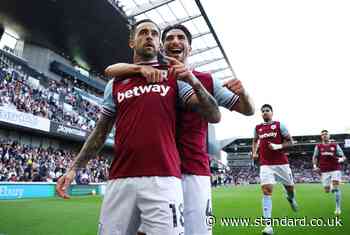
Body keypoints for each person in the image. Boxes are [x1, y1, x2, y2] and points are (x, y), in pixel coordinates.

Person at [56, 19, 220, 235]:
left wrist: (194, 81)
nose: (149, 36)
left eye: (154, 33)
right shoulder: (115, 83)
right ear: (132, 42)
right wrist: (74, 168)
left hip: (164, 179)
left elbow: (213, 114)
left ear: (159, 45)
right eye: (143, 32)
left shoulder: (172, 77)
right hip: (120, 179)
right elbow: (100, 131)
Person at [105, 23, 255, 235]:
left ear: (189, 48)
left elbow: (246, 110)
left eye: (181, 38)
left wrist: (245, 94)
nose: (175, 41)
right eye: (169, 38)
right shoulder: (153, 75)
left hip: (193, 173)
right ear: (161, 47)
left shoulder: (206, 80)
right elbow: (112, 71)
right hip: (156, 175)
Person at [252, 104, 297, 235]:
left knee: (290, 188)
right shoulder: (257, 128)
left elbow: (291, 142)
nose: (265, 112)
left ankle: (291, 198)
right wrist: (254, 152)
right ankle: (268, 226)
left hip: (281, 163)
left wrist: (278, 146)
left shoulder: (279, 125)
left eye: (267, 110)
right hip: (265, 164)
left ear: (272, 113)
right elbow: (254, 141)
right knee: (266, 190)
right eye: (263, 111)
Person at [312, 129, 346, 215]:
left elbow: (343, 156)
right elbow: (315, 157)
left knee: (336, 188)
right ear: (321, 136)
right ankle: (331, 186)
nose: (324, 135)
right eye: (323, 134)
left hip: (335, 168)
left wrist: (341, 159)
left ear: (329, 136)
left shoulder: (335, 145)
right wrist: (315, 166)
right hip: (324, 171)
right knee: (327, 190)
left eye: (326, 134)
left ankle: (338, 208)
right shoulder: (318, 146)